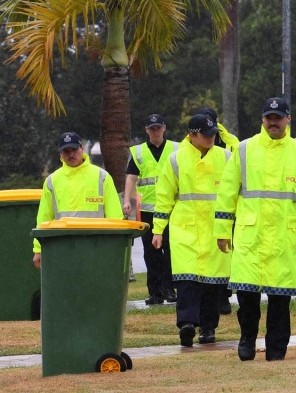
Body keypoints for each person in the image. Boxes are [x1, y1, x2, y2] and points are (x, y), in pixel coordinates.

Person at [214, 97, 296, 361]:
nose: (273, 122)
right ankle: (247, 339)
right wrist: (221, 229)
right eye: (268, 118)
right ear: (262, 120)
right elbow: (227, 192)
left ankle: (276, 348)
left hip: (284, 236)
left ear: (288, 119)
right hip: (251, 234)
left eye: (278, 117)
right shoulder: (244, 149)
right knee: (247, 296)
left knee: (280, 299)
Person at [152, 113, 233, 347]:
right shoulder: (176, 160)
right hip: (185, 229)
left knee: (212, 283)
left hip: (216, 229)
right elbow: (164, 196)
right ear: (192, 135)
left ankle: (208, 328)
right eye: (206, 135)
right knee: (187, 280)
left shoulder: (226, 157)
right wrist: (158, 230)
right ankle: (186, 323)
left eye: (213, 135)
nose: (211, 139)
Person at [33, 132, 123, 267]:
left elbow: (115, 214)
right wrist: (38, 249)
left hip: (96, 245)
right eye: (66, 151)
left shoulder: (101, 176)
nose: (71, 154)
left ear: (82, 148)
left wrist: (116, 245)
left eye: (74, 149)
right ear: (60, 154)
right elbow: (44, 217)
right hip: (62, 246)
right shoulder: (52, 181)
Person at [123, 114, 179, 305]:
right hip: (147, 210)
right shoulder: (138, 152)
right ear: (146, 130)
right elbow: (131, 177)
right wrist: (127, 200)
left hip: (171, 208)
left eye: (158, 128)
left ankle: (170, 289)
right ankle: (155, 293)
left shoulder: (176, 149)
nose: (155, 131)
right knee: (151, 251)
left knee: (170, 250)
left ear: (164, 128)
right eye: (151, 128)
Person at [197, 106, 238, 315]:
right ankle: (209, 296)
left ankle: (224, 296)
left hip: (227, 207)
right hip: (203, 210)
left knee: (226, 254)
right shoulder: (196, 141)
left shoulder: (230, 142)